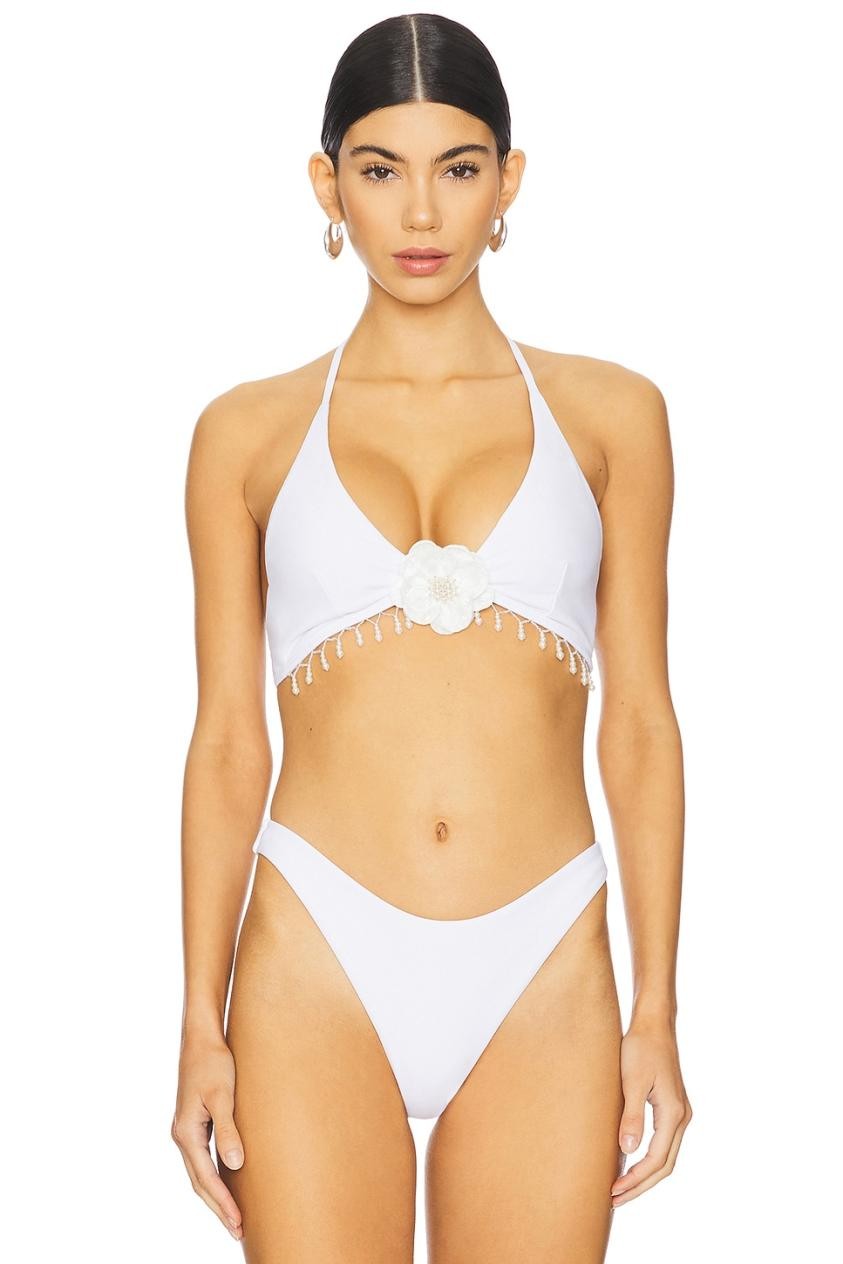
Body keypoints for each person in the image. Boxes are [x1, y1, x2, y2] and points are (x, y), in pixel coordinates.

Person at [170, 12, 692, 1260]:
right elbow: (230, 739)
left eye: (458, 168)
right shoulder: (244, 435)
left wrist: (658, 1007)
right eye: (379, 168)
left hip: (544, 955)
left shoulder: (614, 416)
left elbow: (637, 722)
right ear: (327, 185)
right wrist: (196, 1018)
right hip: (314, 952)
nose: (419, 213)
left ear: (509, 181)